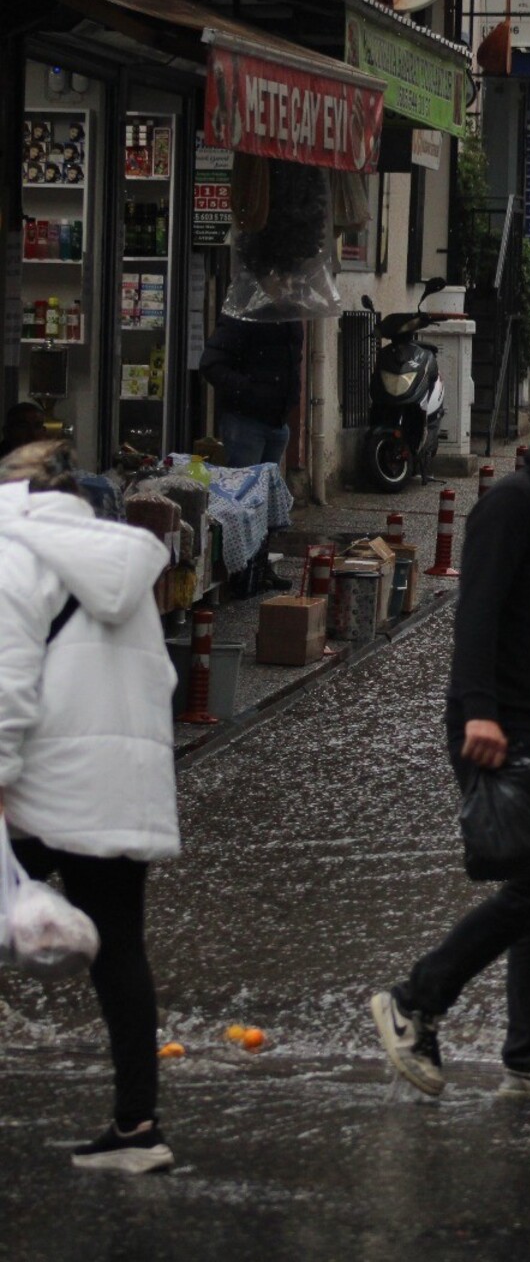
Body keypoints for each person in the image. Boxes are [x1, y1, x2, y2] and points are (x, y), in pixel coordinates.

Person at [371, 397, 530, 1101]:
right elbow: (476, 614)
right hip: (501, 731)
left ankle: (528, 1054)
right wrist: (479, 714)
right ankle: (415, 1002)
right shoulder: (511, 507)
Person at [0, 439, 179, 1172]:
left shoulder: (14, 552)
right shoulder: (121, 558)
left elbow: (7, 680)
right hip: (119, 786)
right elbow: (159, 675)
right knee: (121, 953)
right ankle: (138, 1131)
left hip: (42, 785)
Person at [198, 313, 303, 469]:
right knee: (245, 488)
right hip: (245, 421)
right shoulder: (243, 315)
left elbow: (293, 360)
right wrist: (250, 390)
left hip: (278, 421)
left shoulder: (290, 315)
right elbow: (211, 365)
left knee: (265, 489)